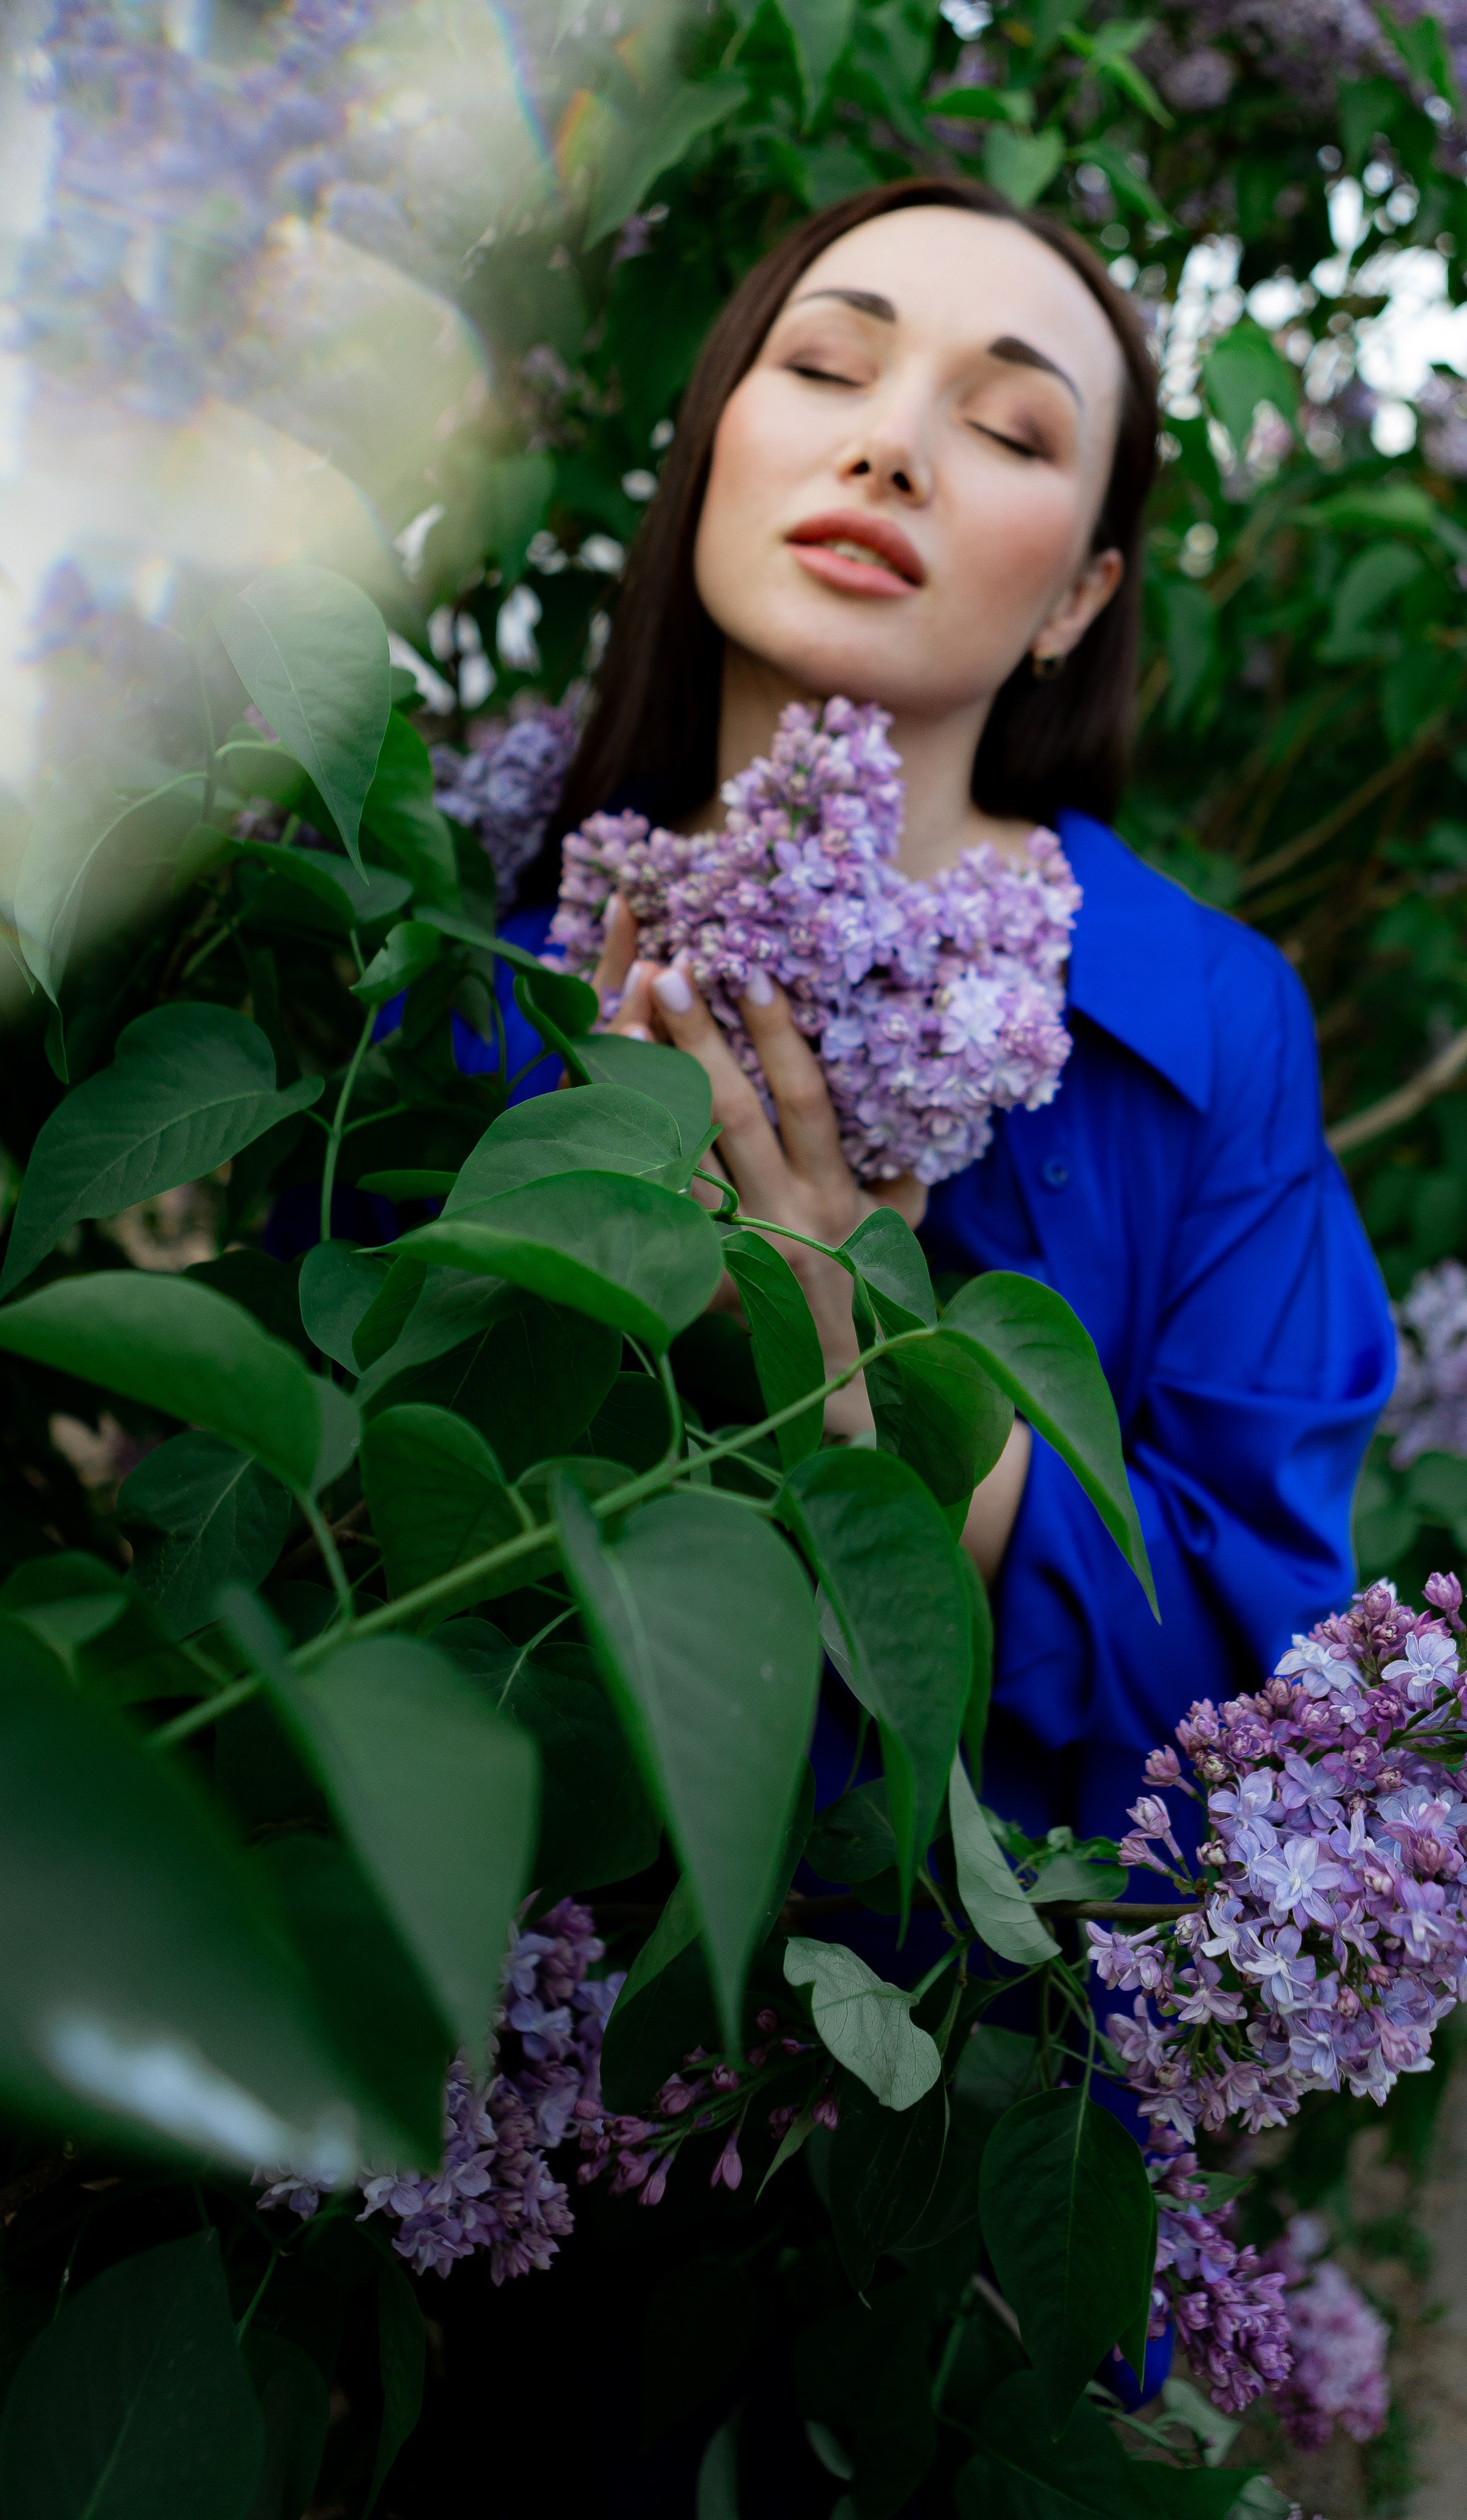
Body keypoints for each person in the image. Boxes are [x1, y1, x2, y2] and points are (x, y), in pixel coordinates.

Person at [494, 172, 1397, 1864]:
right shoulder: (492, 958)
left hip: (948, 1992)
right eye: (827, 370)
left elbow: (1265, 1670)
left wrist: (866, 1377)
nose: (891, 447)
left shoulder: (1201, 1017)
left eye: (1006, 428)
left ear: (1077, 600)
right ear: (711, 451)